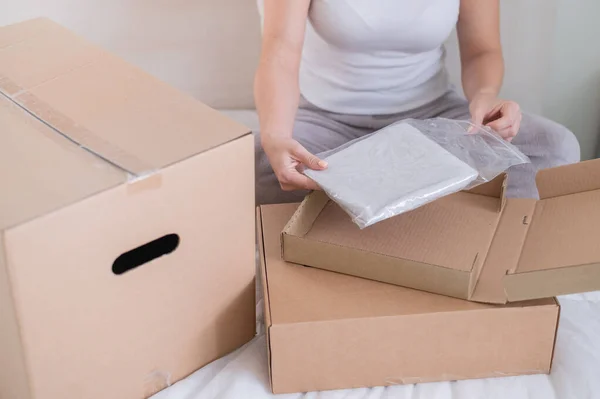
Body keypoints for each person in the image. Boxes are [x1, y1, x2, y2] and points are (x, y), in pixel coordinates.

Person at [254, 0, 581, 205]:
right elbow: (280, 52)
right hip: (324, 122)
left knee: (553, 146)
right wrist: (277, 135)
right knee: (247, 167)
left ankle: (496, 259)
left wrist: (484, 96)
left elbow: (483, 50)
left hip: (431, 117)